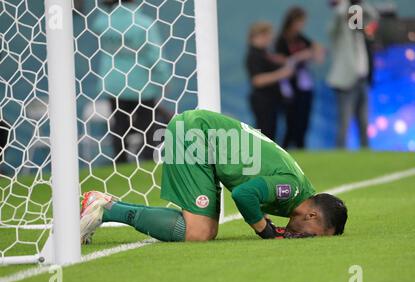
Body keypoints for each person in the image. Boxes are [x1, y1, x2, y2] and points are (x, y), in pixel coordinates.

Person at [80, 109, 348, 243]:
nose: (307, 239)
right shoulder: (290, 188)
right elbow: (244, 194)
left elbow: (252, 186)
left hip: (206, 141)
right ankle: (106, 208)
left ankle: (105, 205)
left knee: (204, 230)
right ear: (312, 216)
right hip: (197, 135)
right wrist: (264, 229)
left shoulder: (296, 190)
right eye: (314, 235)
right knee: (199, 232)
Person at [92, 0, 170, 163]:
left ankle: (119, 161)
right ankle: (149, 160)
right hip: (141, 83)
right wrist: (163, 78)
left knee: (119, 123)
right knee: (148, 124)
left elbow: (96, 25)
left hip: (113, 82)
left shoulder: (104, 22)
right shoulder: (143, 23)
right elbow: (155, 54)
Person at [327, 0, 379, 148]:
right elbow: (338, 16)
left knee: (364, 121)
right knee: (344, 122)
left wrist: (360, 3)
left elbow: (373, 15)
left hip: (362, 80)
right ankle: (340, 154)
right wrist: (346, 3)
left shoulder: (361, 34)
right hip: (346, 82)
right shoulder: (340, 33)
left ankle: (365, 153)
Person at [275, 7, 324, 149]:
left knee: (303, 122)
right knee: (291, 123)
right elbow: (282, 61)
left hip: (305, 85)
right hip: (289, 87)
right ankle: (285, 152)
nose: (301, 25)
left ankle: (301, 149)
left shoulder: (300, 38)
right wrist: (300, 56)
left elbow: (316, 49)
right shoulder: (282, 40)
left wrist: (315, 52)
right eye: (300, 21)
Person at [245, 22, 294, 141]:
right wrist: (281, 74)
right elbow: (257, 80)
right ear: (260, 36)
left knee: (271, 131)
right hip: (262, 100)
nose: (270, 39)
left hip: (270, 99)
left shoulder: (264, 53)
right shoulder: (254, 55)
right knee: (265, 132)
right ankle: (262, 158)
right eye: (268, 36)